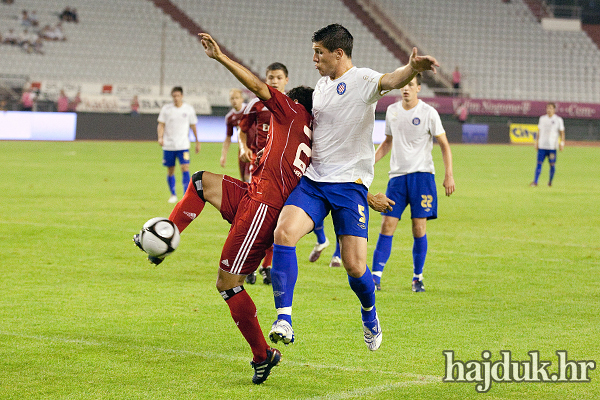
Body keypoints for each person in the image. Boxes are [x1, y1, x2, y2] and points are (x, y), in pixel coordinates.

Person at [136, 32, 314, 385]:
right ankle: (169, 235)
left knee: (228, 283)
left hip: (262, 208)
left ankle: (263, 355)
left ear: (292, 102)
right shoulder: (310, 132)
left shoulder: (290, 111)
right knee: (201, 181)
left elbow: (258, 86)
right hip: (254, 194)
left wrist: (220, 57)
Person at [268, 24, 438, 351]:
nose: (314, 58)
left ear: (339, 53)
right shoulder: (321, 85)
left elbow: (390, 80)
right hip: (315, 182)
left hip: (349, 188)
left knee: (356, 267)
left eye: (320, 52)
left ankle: (370, 314)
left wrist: (412, 69)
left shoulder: (361, 80)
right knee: (283, 234)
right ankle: (284, 318)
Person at [371, 73, 455, 293]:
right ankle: (375, 276)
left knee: (419, 228)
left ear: (418, 88)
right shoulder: (392, 111)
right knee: (387, 224)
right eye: (403, 85)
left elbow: (444, 145)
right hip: (397, 178)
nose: (406, 89)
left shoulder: (429, 113)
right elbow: (387, 142)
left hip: (422, 177)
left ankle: (417, 277)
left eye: (410, 85)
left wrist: (449, 174)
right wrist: (369, 162)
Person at [237, 62, 290, 285]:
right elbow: (242, 129)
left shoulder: (293, 104)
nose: (274, 81)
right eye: (270, 77)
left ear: (286, 80)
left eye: (278, 77)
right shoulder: (256, 104)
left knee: (275, 222)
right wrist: (243, 148)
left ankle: (266, 266)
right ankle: (248, 266)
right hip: (258, 170)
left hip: (282, 173)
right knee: (251, 219)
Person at [157, 86, 200, 203]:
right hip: (169, 145)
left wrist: (197, 141)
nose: (176, 98)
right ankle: (173, 194)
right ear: (172, 96)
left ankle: (186, 195)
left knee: (185, 167)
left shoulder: (188, 109)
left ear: (182, 96)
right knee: (170, 170)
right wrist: (160, 137)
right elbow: (161, 125)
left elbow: (193, 126)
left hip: (183, 146)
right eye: (174, 96)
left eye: (178, 96)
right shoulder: (166, 109)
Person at [530, 102, 565, 187]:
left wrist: (562, 143)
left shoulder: (558, 120)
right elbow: (539, 131)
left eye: (551, 108)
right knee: (539, 163)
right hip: (542, 146)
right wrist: (536, 142)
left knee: (552, 165)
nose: (549, 110)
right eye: (548, 108)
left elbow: (562, 132)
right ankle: (535, 182)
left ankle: (550, 182)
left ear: (554, 109)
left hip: (552, 147)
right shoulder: (542, 119)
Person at [220, 88, 249, 181]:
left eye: (237, 98)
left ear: (242, 99)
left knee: (249, 177)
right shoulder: (230, 117)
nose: (234, 100)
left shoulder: (250, 110)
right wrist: (223, 155)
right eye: (232, 98)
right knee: (244, 179)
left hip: (254, 147)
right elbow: (228, 137)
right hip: (242, 148)